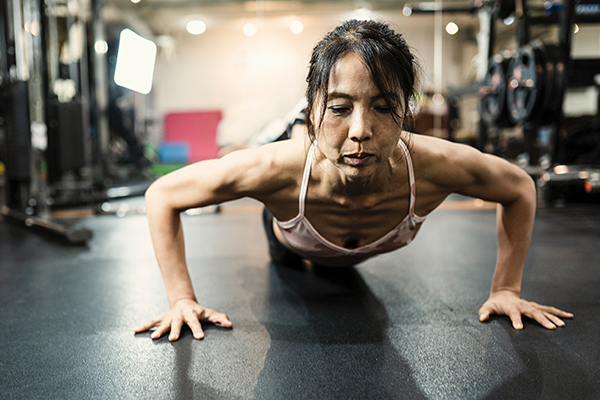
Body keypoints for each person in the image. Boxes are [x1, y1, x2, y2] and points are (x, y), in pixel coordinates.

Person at [134, 20, 572, 342]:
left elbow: (518, 188)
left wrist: (506, 289)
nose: (361, 130)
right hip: (293, 242)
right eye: (340, 108)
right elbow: (163, 195)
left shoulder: (433, 164)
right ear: (312, 114)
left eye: (383, 107)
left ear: (405, 111)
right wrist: (181, 300)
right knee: (289, 258)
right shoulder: (276, 169)